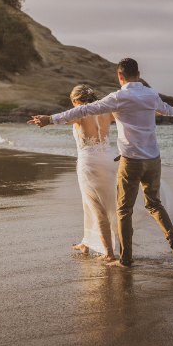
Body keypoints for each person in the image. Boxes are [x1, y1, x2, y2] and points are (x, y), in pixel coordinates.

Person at [29, 58, 173, 268]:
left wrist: (50, 119)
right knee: (154, 204)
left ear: (119, 76)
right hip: (153, 160)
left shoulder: (117, 98)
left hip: (129, 161)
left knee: (123, 210)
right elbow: (163, 110)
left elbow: (82, 111)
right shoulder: (150, 95)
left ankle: (123, 259)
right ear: (138, 74)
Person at [65, 84, 119, 261]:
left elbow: (63, 119)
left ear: (76, 101)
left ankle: (109, 253)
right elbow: (130, 115)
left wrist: (46, 119)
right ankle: (85, 243)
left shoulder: (79, 112)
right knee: (91, 203)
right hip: (109, 160)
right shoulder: (105, 112)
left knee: (98, 207)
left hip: (90, 163)